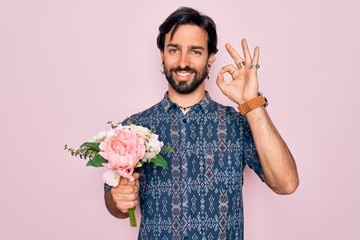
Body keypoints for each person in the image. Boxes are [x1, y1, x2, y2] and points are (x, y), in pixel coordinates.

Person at [104, 6, 299, 240]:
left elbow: (286, 184)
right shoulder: (133, 128)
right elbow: (115, 204)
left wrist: (252, 103)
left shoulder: (237, 123)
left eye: (195, 51)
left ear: (211, 59)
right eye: (174, 50)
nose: (183, 62)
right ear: (162, 54)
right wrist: (119, 200)